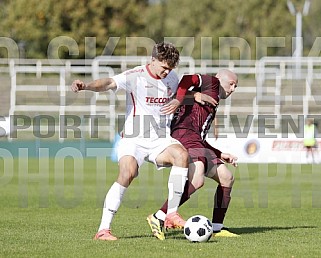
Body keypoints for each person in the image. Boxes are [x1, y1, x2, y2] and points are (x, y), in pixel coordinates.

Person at [71, 42, 198, 241]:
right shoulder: (135, 75)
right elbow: (108, 83)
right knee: (128, 172)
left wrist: (192, 96)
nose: (167, 72)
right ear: (153, 60)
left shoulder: (172, 77)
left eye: (170, 69)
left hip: (159, 139)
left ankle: (171, 214)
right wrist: (86, 86)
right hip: (133, 139)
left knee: (182, 155)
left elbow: (180, 94)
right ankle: (103, 230)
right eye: (164, 67)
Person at [147, 69, 239, 240]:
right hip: (184, 134)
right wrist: (179, 99)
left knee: (226, 178)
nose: (233, 88)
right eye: (232, 84)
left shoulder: (213, 99)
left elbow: (200, 137)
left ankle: (217, 227)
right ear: (220, 79)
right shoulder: (212, 82)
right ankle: (160, 216)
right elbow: (188, 79)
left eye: (236, 86)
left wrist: (219, 153)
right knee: (197, 179)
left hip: (195, 139)